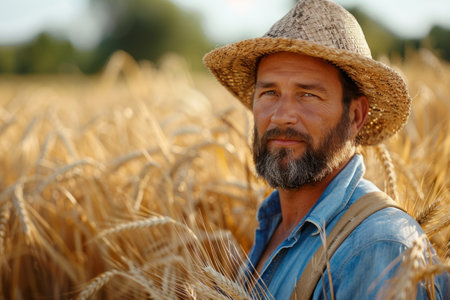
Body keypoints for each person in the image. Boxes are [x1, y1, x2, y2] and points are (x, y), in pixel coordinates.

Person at [203, 0, 449, 299]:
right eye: (269, 92)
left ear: (356, 116)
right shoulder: (273, 221)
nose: (281, 115)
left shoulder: (379, 248)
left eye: (308, 94)